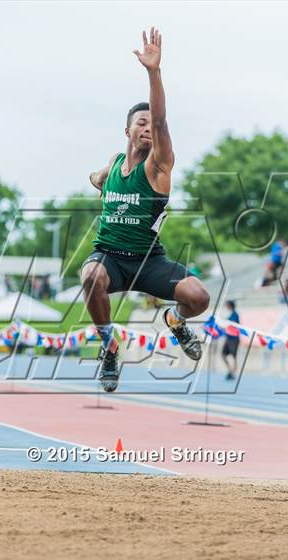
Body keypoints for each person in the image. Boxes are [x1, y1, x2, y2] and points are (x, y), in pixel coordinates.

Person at [81, 28, 210, 392]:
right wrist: (98, 176)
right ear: (127, 130)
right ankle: (109, 346)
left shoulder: (158, 166)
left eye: (150, 124)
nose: (148, 129)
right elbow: (102, 172)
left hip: (149, 260)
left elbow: (160, 121)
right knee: (90, 276)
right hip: (110, 257)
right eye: (141, 123)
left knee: (199, 297)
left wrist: (154, 72)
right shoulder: (115, 163)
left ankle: (174, 319)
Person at [221, 300, 240, 380]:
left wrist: (226, 322)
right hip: (228, 338)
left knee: (233, 356)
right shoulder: (230, 314)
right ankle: (230, 370)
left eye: (227, 305)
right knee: (223, 354)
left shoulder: (235, 314)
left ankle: (233, 373)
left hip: (234, 339)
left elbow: (233, 325)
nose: (226, 307)